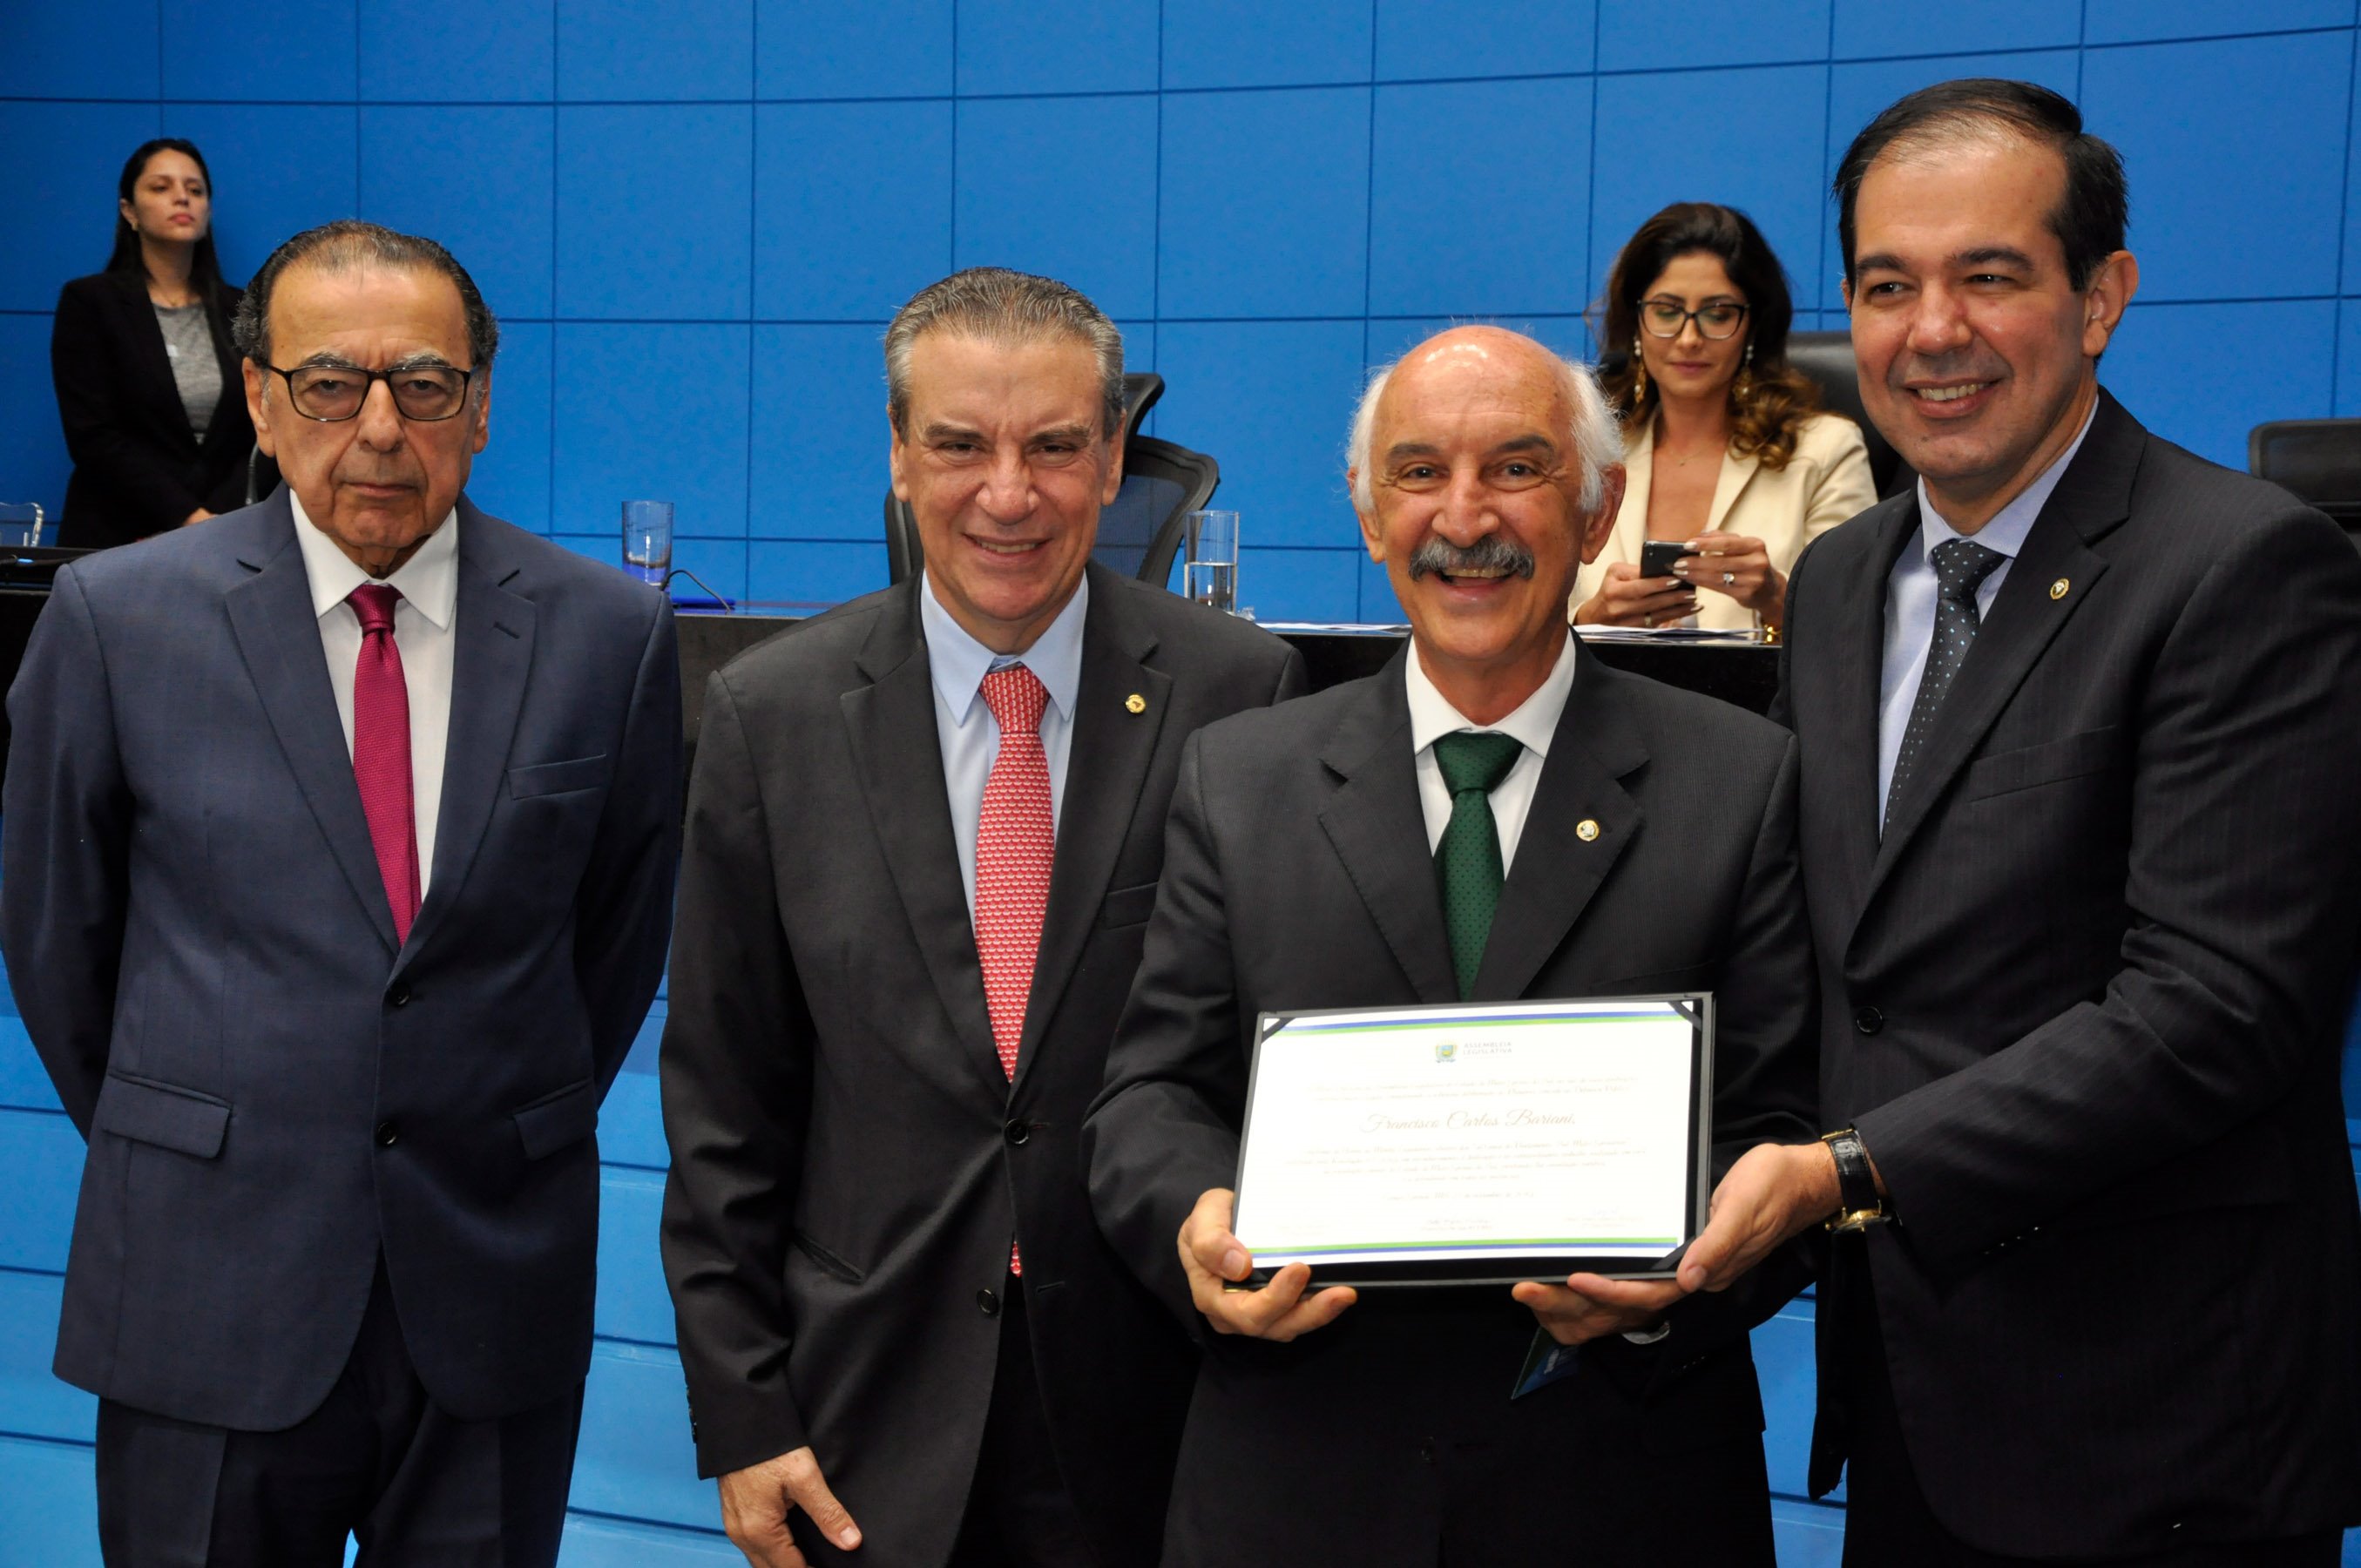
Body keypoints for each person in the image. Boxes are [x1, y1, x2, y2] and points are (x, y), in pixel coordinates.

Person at [1671, 80, 2361, 1565]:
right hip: (1911, 1398)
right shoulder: (1842, 579)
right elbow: (1823, 942)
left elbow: (2218, 1008)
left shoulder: (2245, 568)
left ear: (2099, 297)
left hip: (2159, 1416)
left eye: (1988, 276)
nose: (1932, 331)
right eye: (1886, 286)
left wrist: (1845, 1170)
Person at [1, 219, 681, 1565]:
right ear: (260, 400)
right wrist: (208, 1126)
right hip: (207, 1283)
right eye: (328, 385)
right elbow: (57, 943)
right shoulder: (116, 622)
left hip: (490, 1284)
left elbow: (611, 943)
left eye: (422, 384)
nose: (378, 427)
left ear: (479, 406)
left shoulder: (608, 637)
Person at [1082, 325, 1818, 1566]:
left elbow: (1781, 1116)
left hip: (1621, 1488)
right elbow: (1150, 1094)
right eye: (1418, 473)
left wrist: (1681, 1279)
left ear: (1597, 510)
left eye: (1517, 469)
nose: (1463, 518)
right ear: (1370, 517)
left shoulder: (1737, 780)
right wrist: (1197, 1219)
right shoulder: (1241, 779)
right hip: (1300, 1487)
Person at [659, 267, 1304, 1568]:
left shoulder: (1239, 694)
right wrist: (742, 1413)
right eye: (959, 445)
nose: (1007, 495)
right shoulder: (770, 716)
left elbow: (1264, 1051)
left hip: (1156, 1403)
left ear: (1112, 460)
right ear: (899, 457)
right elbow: (726, 1107)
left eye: (1054, 447)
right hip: (865, 1414)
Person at [1573, 201, 1873, 635]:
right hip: (1606, 680)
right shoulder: (1591, 452)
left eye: (1718, 314)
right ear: (1636, 322)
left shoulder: (1827, 450)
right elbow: (1531, 619)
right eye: (1667, 311)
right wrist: (1590, 621)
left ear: (1752, 327)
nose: (1689, 338)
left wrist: (1775, 597)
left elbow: (1856, 627)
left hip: (1759, 682)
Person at [51, 138, 272, 549]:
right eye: (161, 187)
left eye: (195, 190)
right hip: (118, 533)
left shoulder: (241, 307)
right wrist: (186, 517)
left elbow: (260, 428)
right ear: (129, 211)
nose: (182, 198)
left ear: (208, 210)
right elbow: (94, 437)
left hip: (222, 533)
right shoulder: (91, 303)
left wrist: (215, 521)